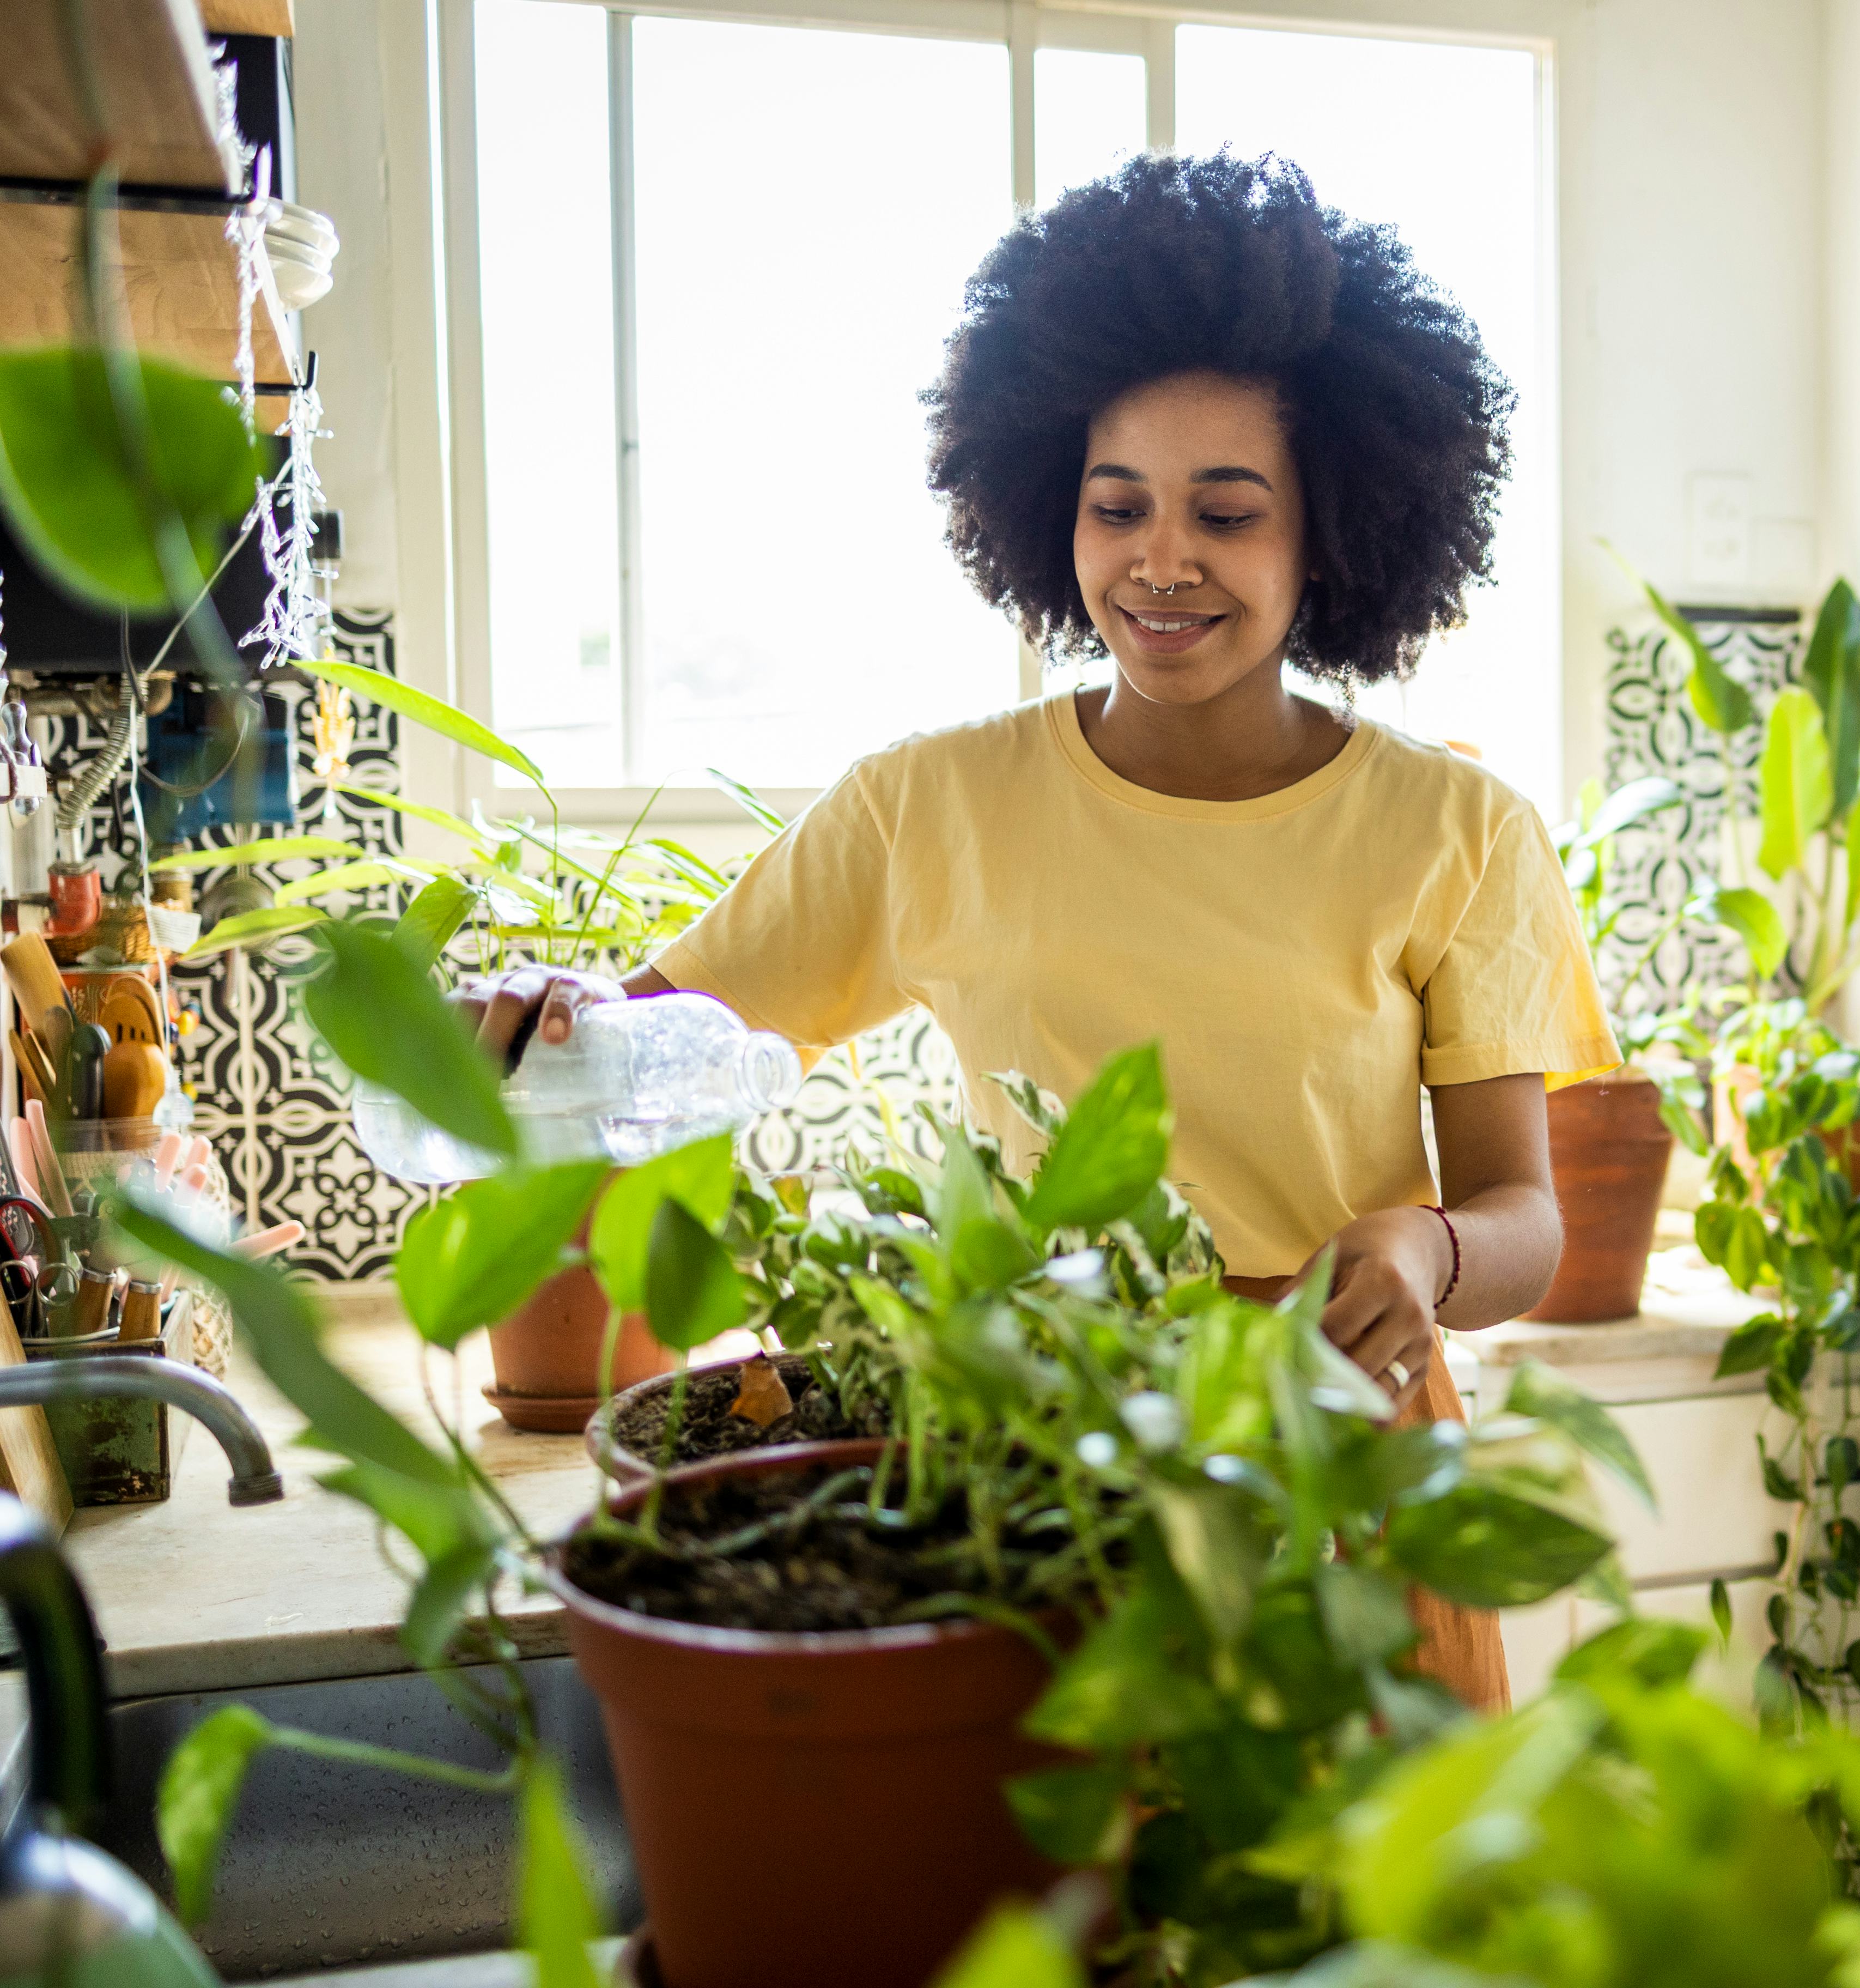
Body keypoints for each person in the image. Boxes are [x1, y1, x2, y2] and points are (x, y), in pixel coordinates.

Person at [465, 153, 1616, 1710]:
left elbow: (1526, 1225)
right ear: (1044, 513)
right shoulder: (924, 808)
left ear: (1330, 534)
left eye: (1228, 511)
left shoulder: (1459, 832)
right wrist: (541, 1034)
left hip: (1341, 1464)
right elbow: (654, 1044)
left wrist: (1428, 1244)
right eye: (1116, 505)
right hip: (1035, 1472)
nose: (1162, 560)